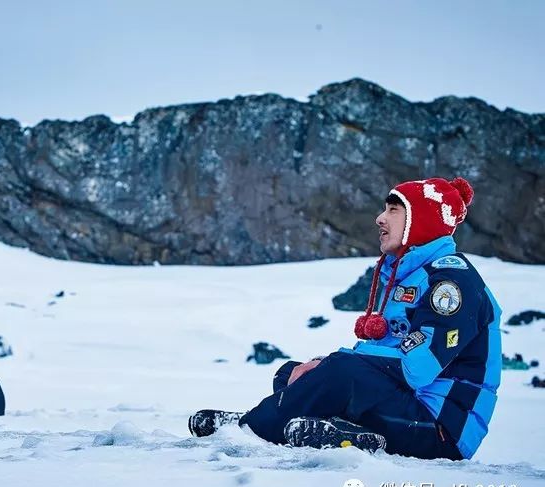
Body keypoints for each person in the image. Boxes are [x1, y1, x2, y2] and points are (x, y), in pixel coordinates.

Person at [188, 177, 502, 461]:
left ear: (422, 219)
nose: (380, 218)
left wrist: (336, 364)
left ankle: (252, 427)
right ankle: (340, 434)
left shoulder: (452, 284)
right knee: (292, 374)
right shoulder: (409, 275)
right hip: (409, 408)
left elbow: (416, 368)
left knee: (337, 371)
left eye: (393, 210)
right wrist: (325, 366)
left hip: (441, 429)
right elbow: (379, 363)